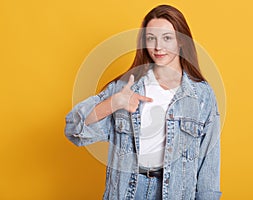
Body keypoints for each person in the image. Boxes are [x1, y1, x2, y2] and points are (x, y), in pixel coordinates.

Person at [65, 4, 222, 200]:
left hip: (175, 193)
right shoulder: (125, 87)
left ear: (181, 41)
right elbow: (73, 128)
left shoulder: (202, 96)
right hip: (127, 192)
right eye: (151, 38)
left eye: (167, 38)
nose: (158, 47)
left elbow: (209, 164)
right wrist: (114, 103)